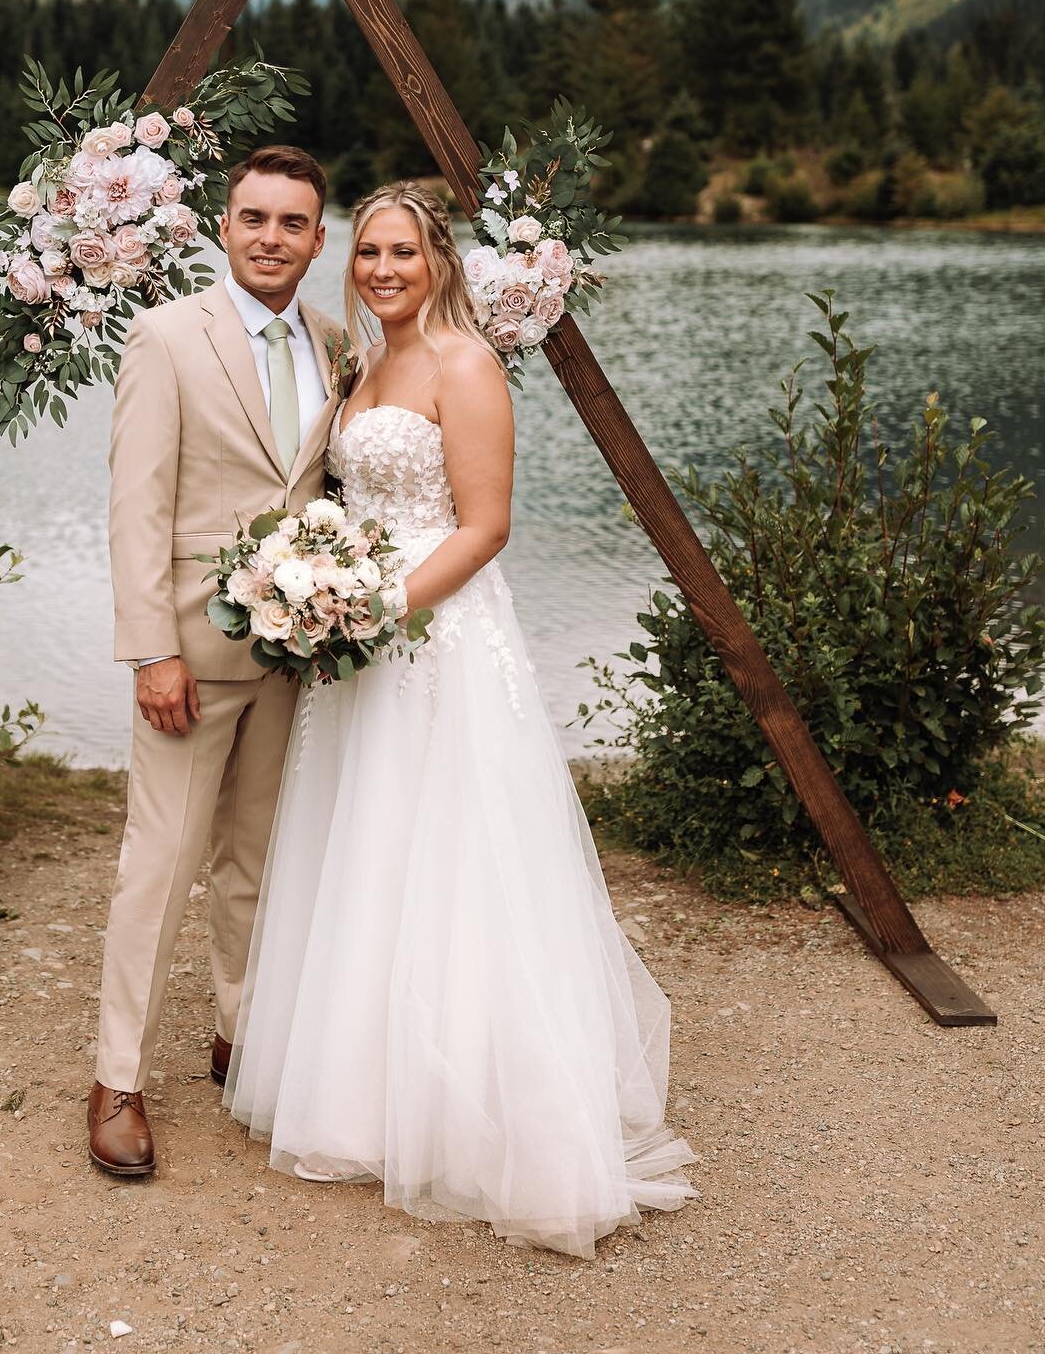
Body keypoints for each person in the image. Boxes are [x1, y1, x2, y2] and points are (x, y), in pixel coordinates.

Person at [224, 182, 696, 1258]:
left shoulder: (466, 365)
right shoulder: (364, 362)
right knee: (367, 847)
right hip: (356, 644)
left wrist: (381, 606)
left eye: (404, 253)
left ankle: (485, 1103)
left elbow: (485, 527)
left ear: (439, 259)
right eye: (369, 253)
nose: (383, 270)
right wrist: (320, 591)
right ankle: (359, 1096)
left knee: (458, 853)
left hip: (435, 636)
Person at [89, 145, 345, 1177]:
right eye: (254, 218)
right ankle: (116, 1080)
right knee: (160, 864)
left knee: (258, 861)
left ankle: (242, 1044)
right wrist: (152, 650)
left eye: (292, 223)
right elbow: (135, 506)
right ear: (221, 226)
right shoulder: (164, 336)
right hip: (189, 656)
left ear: (318, 239)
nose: (271, 238)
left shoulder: (335, 342)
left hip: (296, 655)